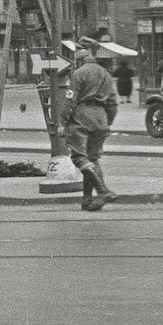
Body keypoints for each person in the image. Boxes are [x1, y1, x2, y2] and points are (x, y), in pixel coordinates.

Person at [62, 44, 119, 212]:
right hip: (100, 117)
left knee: (79, 157)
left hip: (82, 116)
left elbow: (70, 99)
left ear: (86, 52)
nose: (76, 53)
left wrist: (62, 122)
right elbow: (112, 102)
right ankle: (87, 198)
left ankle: (103, 191)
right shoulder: (105, 73)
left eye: (79, 50)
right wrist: (108, 122)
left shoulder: (79, 73)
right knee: (92, 158)